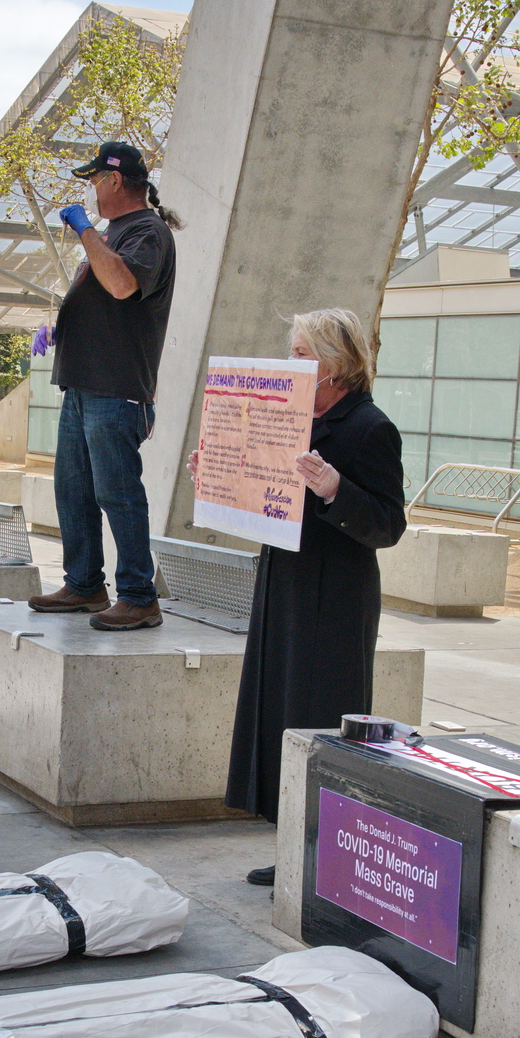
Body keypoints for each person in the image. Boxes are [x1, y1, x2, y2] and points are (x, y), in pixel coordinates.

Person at [217, 309, 406, 884]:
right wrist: (220, 476)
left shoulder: (370, 427)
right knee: (278, 711)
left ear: (335, 363)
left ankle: (321, 857)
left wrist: (335, 489)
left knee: (317, 716)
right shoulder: (289, 417)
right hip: (285, 582)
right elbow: (267, 494)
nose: (291, 362)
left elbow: (388, 525)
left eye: (301, 353)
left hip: (334, 596)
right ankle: (292, 845)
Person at [27, 139, 179, 631]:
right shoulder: (114, 233)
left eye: (95, 180)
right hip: (83, 385)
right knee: (73, 490)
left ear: (115, 180)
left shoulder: (148, 232)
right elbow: (101, 298)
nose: (91, 190)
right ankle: (84, 583)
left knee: (118, 492)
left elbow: (121, 284)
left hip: (116, 389)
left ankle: (138, 595)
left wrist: (85, 229)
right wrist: (61, 327)